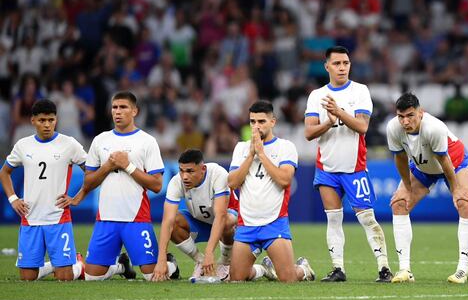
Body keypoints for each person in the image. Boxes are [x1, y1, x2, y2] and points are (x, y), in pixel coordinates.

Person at [304, 46, 391, 282]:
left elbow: (362, 127)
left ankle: (384, 267)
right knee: (333, 219)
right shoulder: (316, 95)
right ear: (327, 67)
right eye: (337, 63)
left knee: (367, 218)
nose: (342, 67)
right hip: (327, 169)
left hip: (355, 168)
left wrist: (338, 112)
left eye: (346, 63)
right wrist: (328, 122)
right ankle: (338, 268)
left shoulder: (360, 91)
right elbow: (309, 132)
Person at [74, 91, 179, 281]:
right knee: (91, 277)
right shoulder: (100, 140)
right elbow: (88, 182)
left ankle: (171, 264)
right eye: (114, 107)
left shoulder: (147, 141)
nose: (118, 112)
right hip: (106, 218)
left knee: (152, 276)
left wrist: (127, 166)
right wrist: (108, 166)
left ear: (135, 111)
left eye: (123, 107)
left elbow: (156, 185)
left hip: (136, 218)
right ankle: (121, 267)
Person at [386, 92, 468, 283]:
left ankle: (462, 270)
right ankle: (404, 270)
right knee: (399, 203)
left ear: (420, 112)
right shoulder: (393, 128)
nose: (405, 121)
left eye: (410, 115)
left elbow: (444, 160)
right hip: (422, 166)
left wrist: (457, 189)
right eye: (401, 116)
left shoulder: (433, 128)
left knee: (465, 202)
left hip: (455, 163)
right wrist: (407, 188)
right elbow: (400, 158)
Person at [0, 99, 87, 281]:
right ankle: (57, 265)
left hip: (58, 217)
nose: (47, 125)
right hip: (30, 217)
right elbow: (5, 172)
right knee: (27, 279)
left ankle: (78, 264)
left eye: (51, 120)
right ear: (33, 120)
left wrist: (78, 197)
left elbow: (92, 172)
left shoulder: (69, 144)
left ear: (56, 120)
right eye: (42, 120)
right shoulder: (23, 145)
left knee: (65, 278)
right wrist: (13, 199)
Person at [228, 101, 314, 283]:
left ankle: (303, 269)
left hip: (274, 223)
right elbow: (233, 182)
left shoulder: (285, 147)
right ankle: (263, 269)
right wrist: (251, 155)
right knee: (236, 278)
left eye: (261, 121)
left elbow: (284, 180)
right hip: (247, 224)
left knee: (288, 278)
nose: (256, 126)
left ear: (272, 122)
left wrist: (262, 154)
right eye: (252, 122)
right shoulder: (242, 148)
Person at [152, 148, 238, 282]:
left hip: (231, 227)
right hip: (201, 223)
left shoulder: (218, 174)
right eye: (181, 170)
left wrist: (210, 252)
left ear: (203, 169)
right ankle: (200, 261)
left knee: (227, 220)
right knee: (174, 221)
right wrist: (161, 259)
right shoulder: (176, 182)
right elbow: (167, 221)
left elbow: (220, 216)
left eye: (190, 171)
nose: (184, 176)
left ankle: (225, 263)